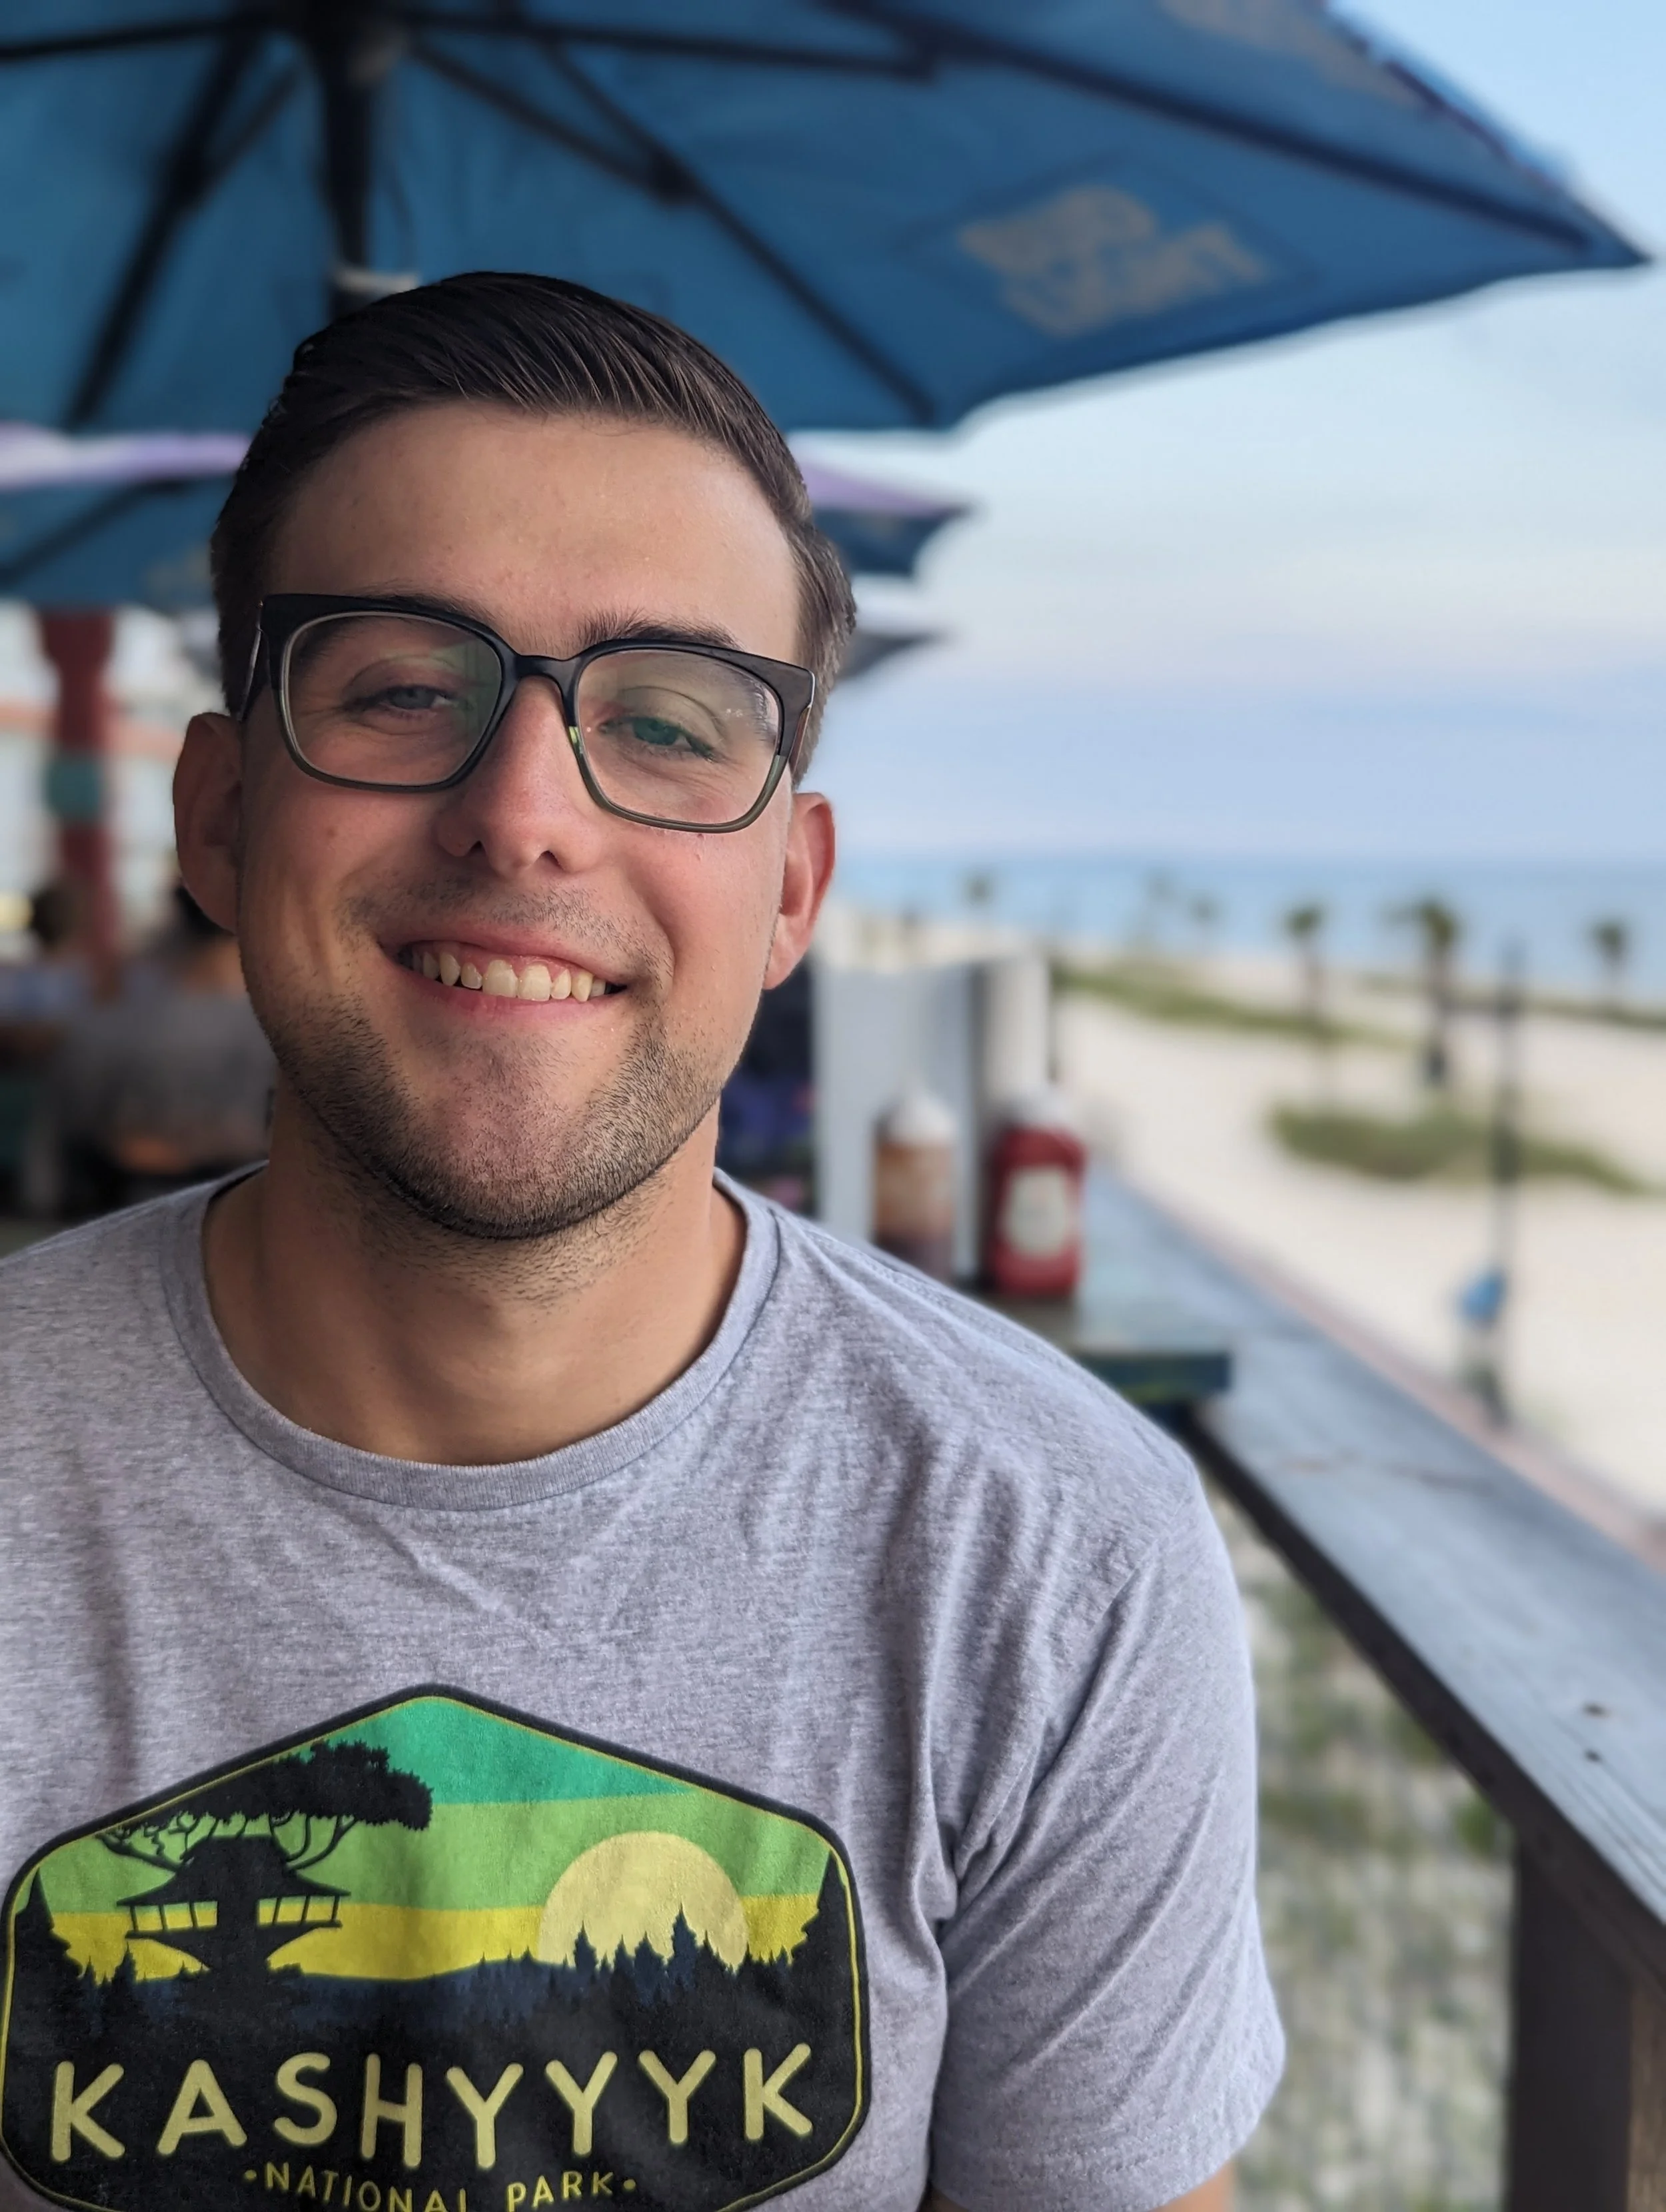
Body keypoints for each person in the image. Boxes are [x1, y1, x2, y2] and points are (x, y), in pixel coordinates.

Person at [0, 276, 1280, 2212]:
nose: (523, 815)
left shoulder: (1054, 1555)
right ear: (218, 808)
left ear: (788, 886)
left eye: (671, 721)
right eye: (401, 688)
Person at [19, 883, 274, 1219]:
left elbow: (51, 1162)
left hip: (118, 1221)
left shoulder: (102, 1030)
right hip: (252, 1220)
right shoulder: (286, 1036)